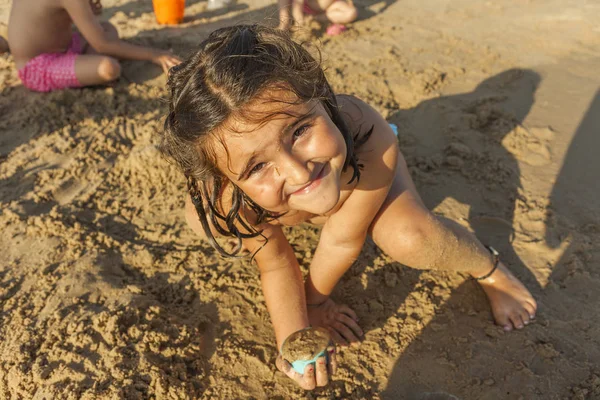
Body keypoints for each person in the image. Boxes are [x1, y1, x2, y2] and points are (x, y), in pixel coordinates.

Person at [158, 25, 537, 390]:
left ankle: (488, 267)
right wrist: (295, 339)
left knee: (409, 236)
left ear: (321, 97)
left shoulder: (363, 130)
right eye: (257, 167)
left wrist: (316, 300)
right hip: (291, 191)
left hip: (358, 165)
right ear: (230, 180)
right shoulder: (223, 196)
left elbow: (341, 240)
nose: (295, 169)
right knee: (206, 220)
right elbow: (274, 262)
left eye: (300, 130)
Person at [7, 0, 181, 92]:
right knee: (109, 68)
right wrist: (155, 55)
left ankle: (87, 64)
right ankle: (89, 68)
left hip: (65, 44)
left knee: (108, 29)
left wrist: (87, 9)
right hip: (36, 66)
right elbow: (102, 44)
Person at [278, 0, 357, 36]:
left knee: (351, 13)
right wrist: (300, 22)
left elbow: (350, 4)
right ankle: (284, 23)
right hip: (306, 6)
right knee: (296, 13)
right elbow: (297, 8)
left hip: (328, 7)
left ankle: (315, 18)